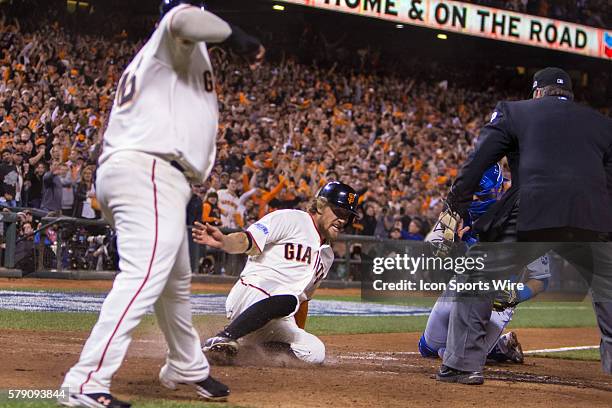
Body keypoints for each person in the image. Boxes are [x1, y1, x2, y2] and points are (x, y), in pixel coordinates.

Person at [59, 1, 265, 406]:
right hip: (149, 170)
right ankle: (84, 382)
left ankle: (186, 365)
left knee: (174, 281)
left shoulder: (173, 57)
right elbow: (181, 16)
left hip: (146, 172)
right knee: (142, 277)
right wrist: (241, 39)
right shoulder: (176, 34)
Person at [438, 67, 612, 385]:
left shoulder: (513, 111)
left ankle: (464, 363)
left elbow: (479, 160)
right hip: (593, 216)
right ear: (569, 96)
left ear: (536, 92)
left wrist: (457, 203)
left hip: (532, 211)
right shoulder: (602, 123)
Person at [194, 181, 359, 364]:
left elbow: (302, 302)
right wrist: (225, 241)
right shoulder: (291, 219)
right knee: (289, 299)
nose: (343, 220)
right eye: (339, 212)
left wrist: (298, 331)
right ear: (321, 205)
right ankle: (223, 337)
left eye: (348, 217)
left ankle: (245, 352)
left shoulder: (327, 257)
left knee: (315, 351)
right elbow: (249, 240)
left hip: (279, 315)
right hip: (251, 294)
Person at [420, 164, 550, 365]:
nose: (473, 200)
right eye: (471, 194)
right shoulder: (456, 213)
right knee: (428, 349)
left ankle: (498, 346)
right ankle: (499, 347)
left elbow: (541, 279)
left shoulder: (524, 218)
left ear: (500, 189)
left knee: (460, 356)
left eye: (479, 195)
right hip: (460, 286)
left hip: (498, 300)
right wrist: (450, 246)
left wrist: (514, 296)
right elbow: (433, 254)